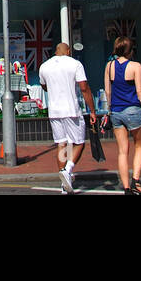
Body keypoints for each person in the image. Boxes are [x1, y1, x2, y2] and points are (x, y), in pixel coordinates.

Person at [38, 43, 95, 194]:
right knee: (78, 143)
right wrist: (93, 110)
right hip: (71, 110)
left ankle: (64, 184)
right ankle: (68, 169)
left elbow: (44, 86)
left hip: (54, 111)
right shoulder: (75, 64)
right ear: (68, 51)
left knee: (62, 144)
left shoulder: (44, 66)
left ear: (56, 51)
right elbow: (84, 87)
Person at [103, 35, 141, 194]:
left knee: (122, 151)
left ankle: (126, 187)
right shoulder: (135, 66)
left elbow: (107, 90)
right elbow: (140, 91)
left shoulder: (109, 66)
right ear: (130, 50)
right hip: (132, 110)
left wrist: (110, 109)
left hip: (116, 112)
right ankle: (136, 180)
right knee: (139, 145)